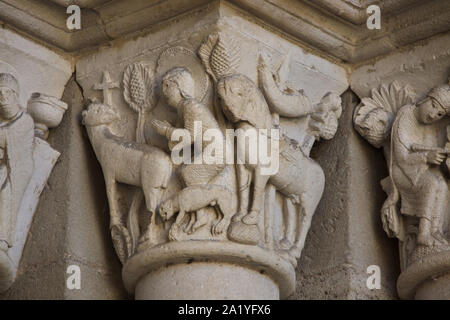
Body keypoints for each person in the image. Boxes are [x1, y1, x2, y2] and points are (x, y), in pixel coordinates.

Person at [152, 67, 230, 234]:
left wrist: (166, 131)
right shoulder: (183, 108)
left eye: (168, 86)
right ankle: (200, 213)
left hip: (216, 153)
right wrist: (170, 134)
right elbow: (183, 142)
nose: (164, 92)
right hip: (209, 152)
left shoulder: (190, 106)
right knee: (184, 173)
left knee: (188, 174)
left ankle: (203, 211)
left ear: (179, 87)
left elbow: (189, 137)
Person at [390, 84, 450, 246]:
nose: (433, 115)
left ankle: (435, 230)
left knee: (442, 184)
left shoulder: (429, 128)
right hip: (401, 170)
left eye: (439, 114)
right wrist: (425, 157)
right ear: (424, 99)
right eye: (433, 106)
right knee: (431, 183)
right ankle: (423, 233)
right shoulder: (405, 114)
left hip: (417, 169)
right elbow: (400, 157)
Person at [0, 73, 34, 251]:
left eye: (7, 93)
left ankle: (3, 238)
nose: (3, 98)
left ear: (16, 95)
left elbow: (10, 139)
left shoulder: (25, 120)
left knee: (4, 190)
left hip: (15, 170)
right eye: (0, 94)